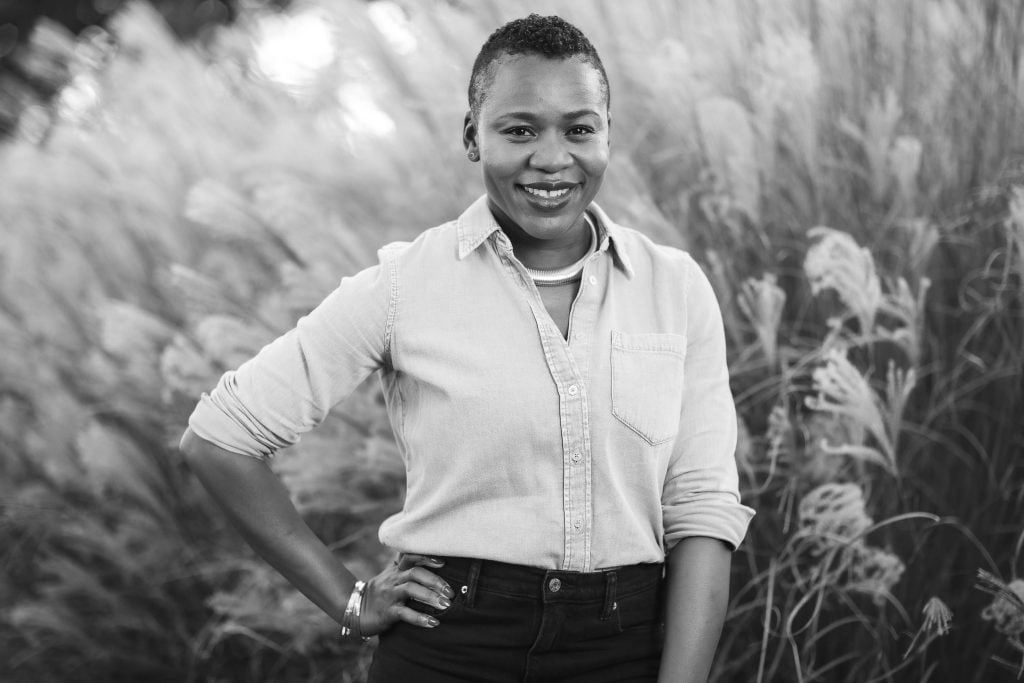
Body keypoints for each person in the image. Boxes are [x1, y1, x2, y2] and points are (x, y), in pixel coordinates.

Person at [179, 13, 754, 683]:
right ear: (472, 137)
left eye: (578, 128)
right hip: (451, 651)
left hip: (625, 649)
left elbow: (703, 510)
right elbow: (219, 438)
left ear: (606, 135)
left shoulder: (675, 287)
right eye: (518, 129)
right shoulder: (405, 286)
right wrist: (349, 599)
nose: (551, 157)